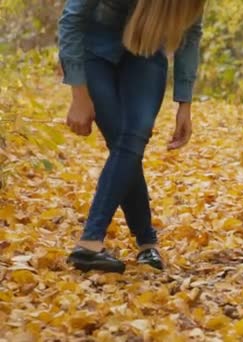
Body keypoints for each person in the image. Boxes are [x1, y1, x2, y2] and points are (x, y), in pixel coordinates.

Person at [58, 0, 205, 273]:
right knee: (123, 144)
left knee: (135, 135)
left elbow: (190, 31)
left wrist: (185, 103)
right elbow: (71, 19)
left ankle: (99, 244)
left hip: (146, 49)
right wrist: (79, 94)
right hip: (95, 51)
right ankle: (143, 243)